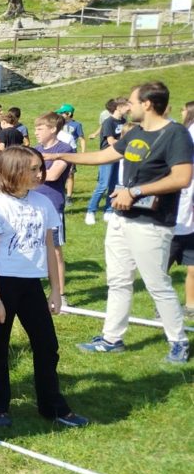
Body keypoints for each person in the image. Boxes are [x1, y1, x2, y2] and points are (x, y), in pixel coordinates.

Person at [47, 82, 191, 364]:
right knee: (118, 281)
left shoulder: (176, 134)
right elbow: (103, 156)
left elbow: (182, 178)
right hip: (121, 218)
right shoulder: (136, 132)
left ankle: (178, 342)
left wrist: (135, 191)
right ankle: (112, 339)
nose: (128, 107)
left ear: (147, 104)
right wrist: (61, 155)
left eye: (132, 102)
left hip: (152, 223)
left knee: (157, 284)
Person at [0, 146, 89, 428]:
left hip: (31, 285)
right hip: (1, 284)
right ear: (13, 171)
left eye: (41, 168)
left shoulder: (43, 203)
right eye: (33, 169)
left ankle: (52, 407)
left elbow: (50, 249)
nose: (40, 174)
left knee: (47, 345)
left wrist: (56, 290)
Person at [32, 112, 73, 308]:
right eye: (35, 128)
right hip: (32, 205)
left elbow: (53, 174)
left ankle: (60, 294)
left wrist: (28, 173)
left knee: (55, 251)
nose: (36, 132)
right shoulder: (35, 150)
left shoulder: (65, 149)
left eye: (40, 128)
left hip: (52, 206)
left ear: (53, 129)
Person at [85, 97, 130, 225]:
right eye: (127, 106)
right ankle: (91, 211)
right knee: (103, 185)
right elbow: (110, 141)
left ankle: (109, 210)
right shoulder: (108, 122)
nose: (129, 108)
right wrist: (127, 144)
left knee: (114, 185)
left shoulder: (124, 121)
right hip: (107, 156)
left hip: (119, 156)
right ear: (119, 107)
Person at [171, 101, 194, 321]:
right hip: (177, 217)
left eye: (184, 109)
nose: (182, 112)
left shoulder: (187, 134)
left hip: (184, 217)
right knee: (161, 269)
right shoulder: (183, 133)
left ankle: (189, 305)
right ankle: (166, 307)